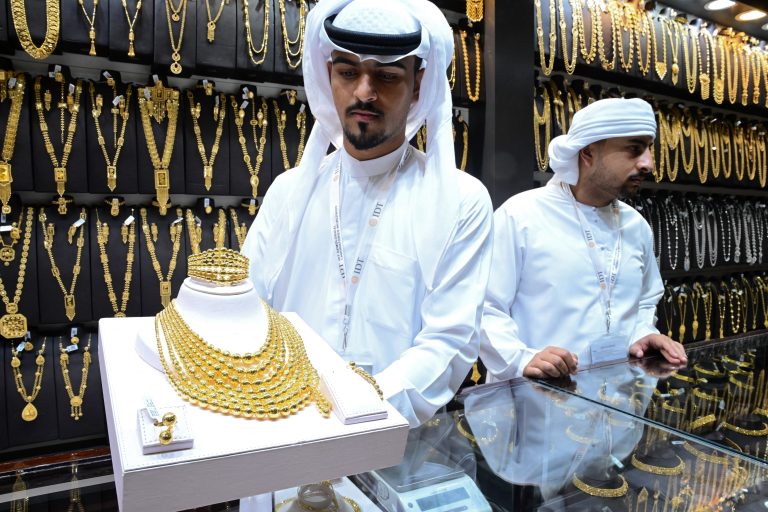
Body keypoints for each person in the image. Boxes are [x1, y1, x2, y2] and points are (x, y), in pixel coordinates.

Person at [241, 0, 493, 426]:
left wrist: (351, 410)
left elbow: (448, 342)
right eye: (347, 72)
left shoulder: (460, 202)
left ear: (418, 86)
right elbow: (249, 309)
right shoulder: (288, 192)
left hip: (390, 441)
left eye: (387, 75)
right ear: (328, 78)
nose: (363, 91)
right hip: (281, 431)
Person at [480, 97, 687, 380]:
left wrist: (644, 333)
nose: (648, 163)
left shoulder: (637, 226)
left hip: (619, 401)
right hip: (538, 402)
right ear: (588, 153)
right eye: (634, 150)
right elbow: (484, 306)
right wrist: (521, 358)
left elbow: (645, 302)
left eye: (649, 149)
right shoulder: (521, 216)